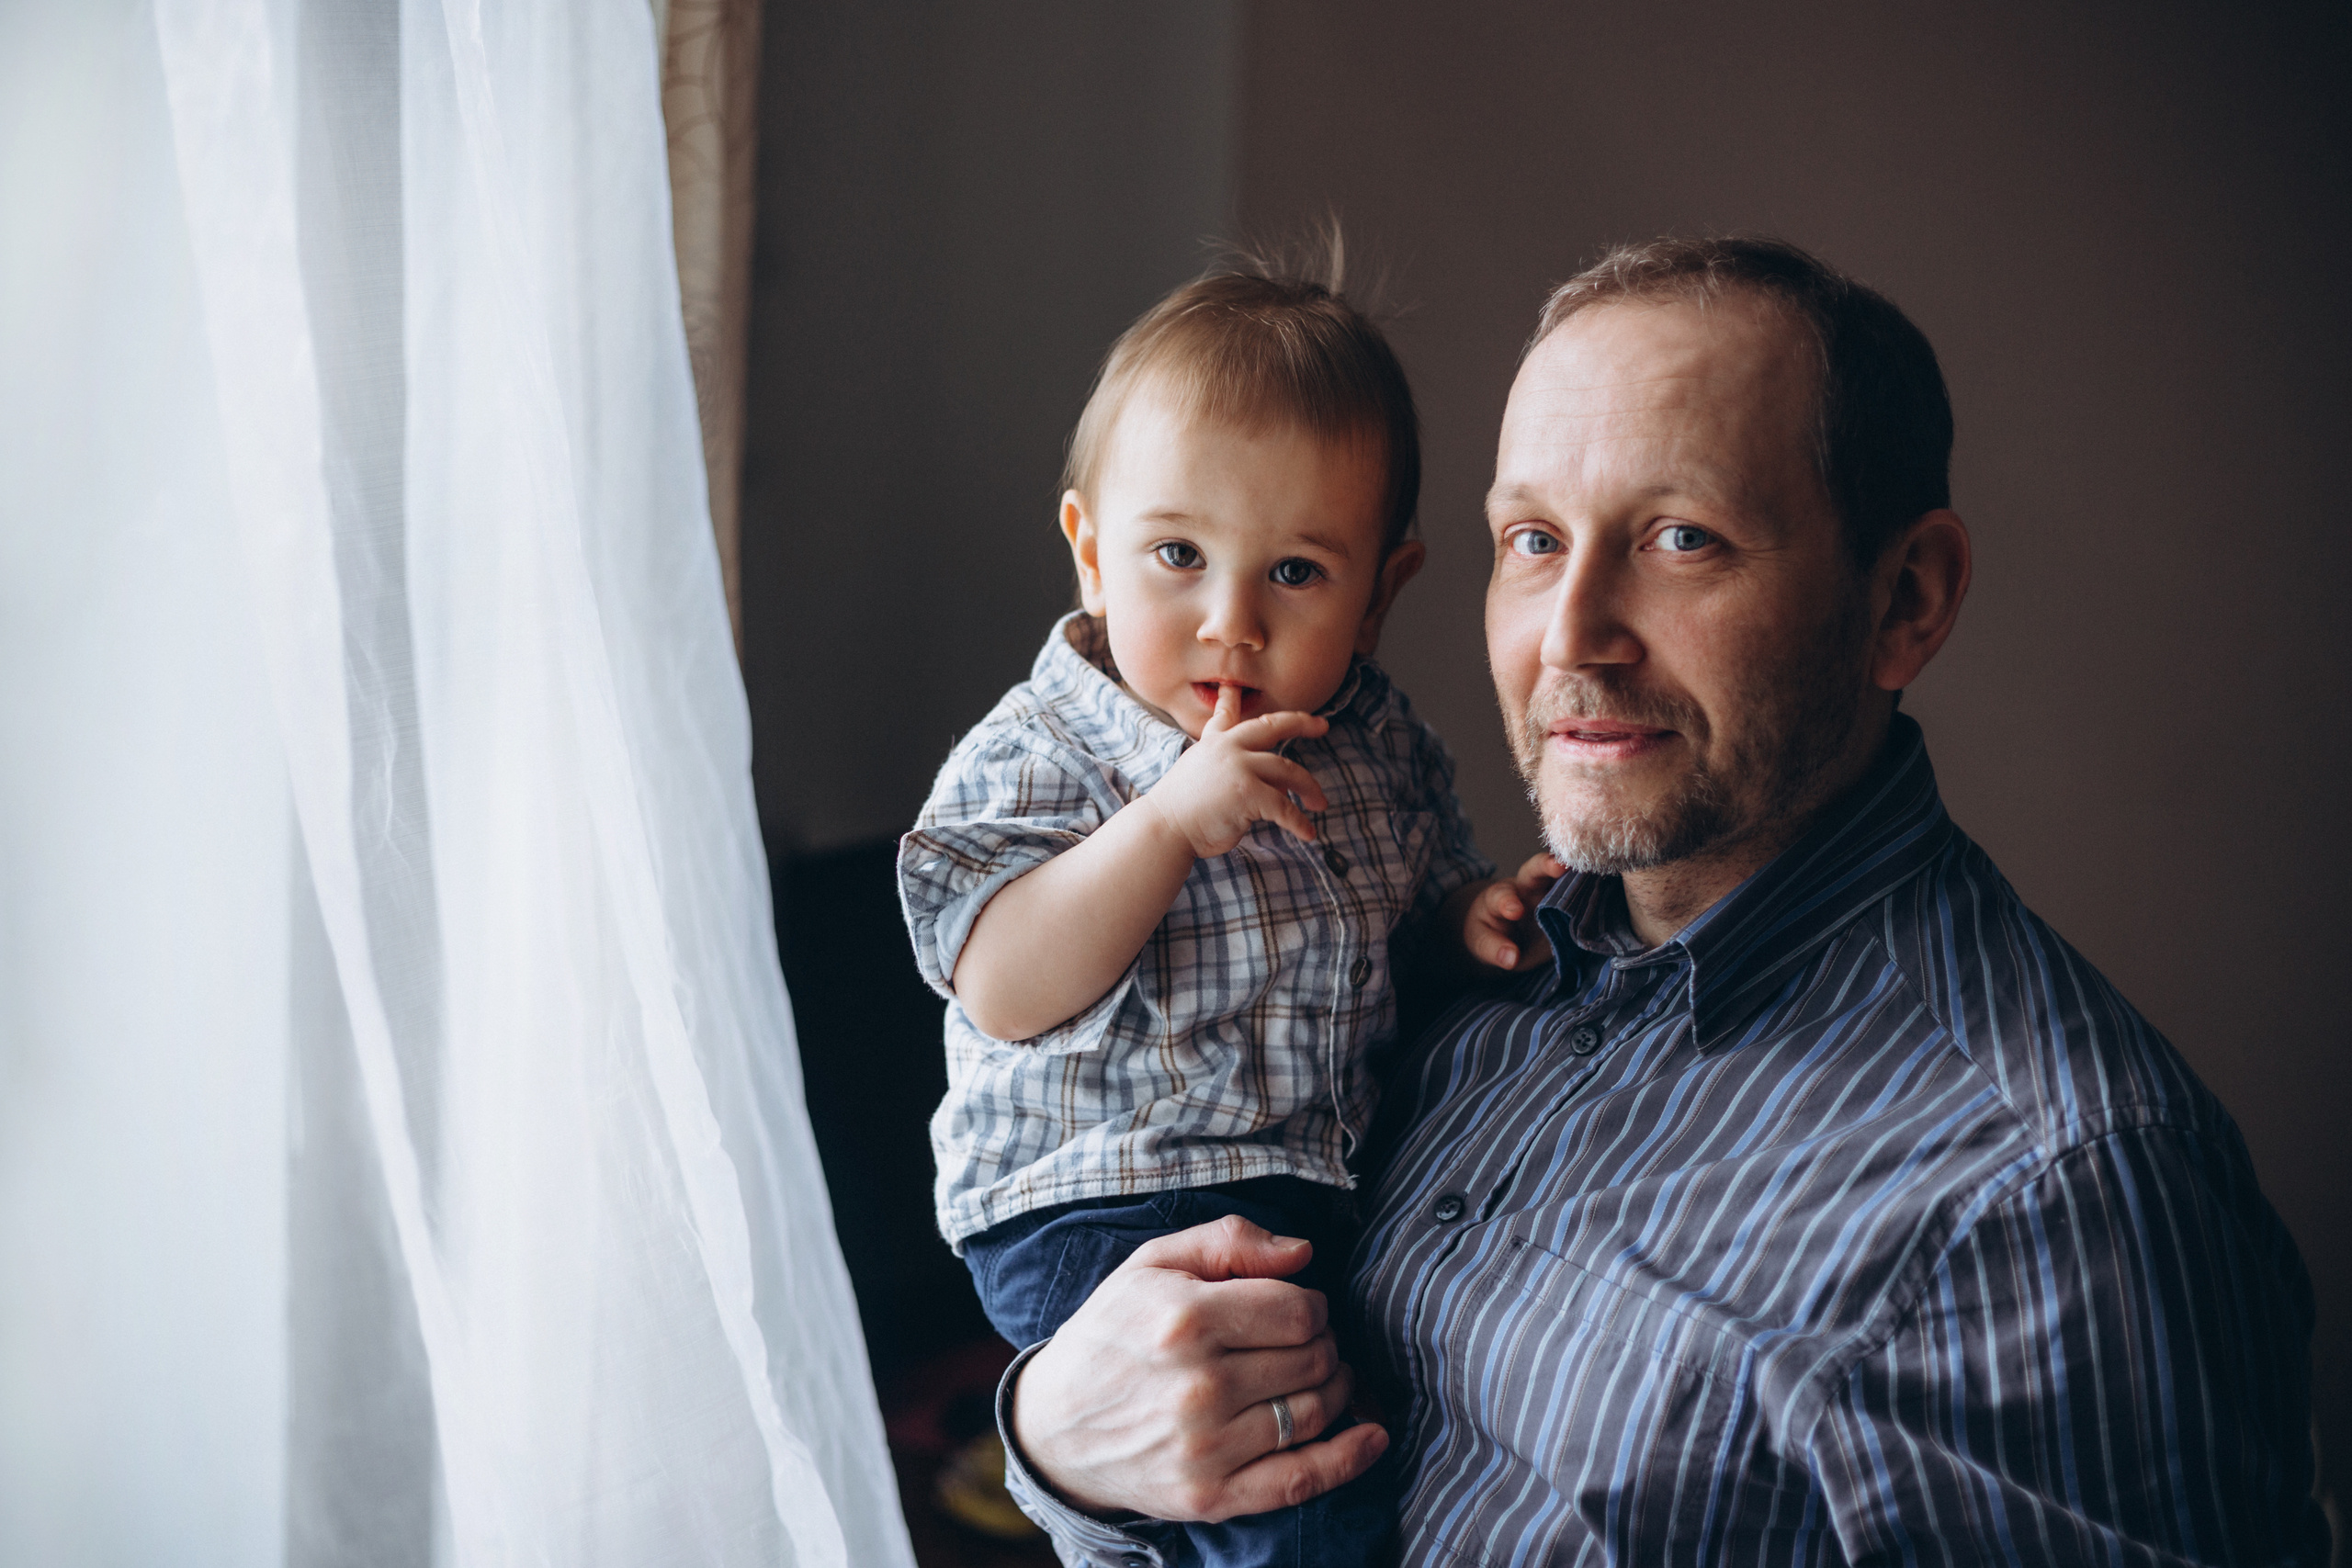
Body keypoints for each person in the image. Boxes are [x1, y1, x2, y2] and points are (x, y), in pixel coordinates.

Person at [992, 237, 2330, 1567]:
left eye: (1683, 539)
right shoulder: (1464, 966)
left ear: (1905, 600)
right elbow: (1188, 1425)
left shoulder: (2055, 1196)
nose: (1570, 635)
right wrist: (1061, 1440)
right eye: (1531, 541)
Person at [896, 259, 1559, 1567]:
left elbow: (1403, 914)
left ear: (1383, 589)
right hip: (1104, 1191)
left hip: (1306, 1183)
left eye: (1298, 573)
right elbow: (1001, 983)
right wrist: (1163, 827)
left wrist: (1463, 920)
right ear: (1091, 547)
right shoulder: (1048, 754)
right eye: (1178, 555)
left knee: (1370, 1438)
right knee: (1291, 1500)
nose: (1230, 622)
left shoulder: (1379, 747)